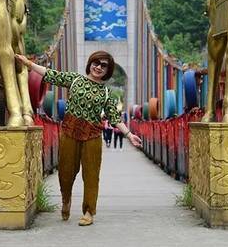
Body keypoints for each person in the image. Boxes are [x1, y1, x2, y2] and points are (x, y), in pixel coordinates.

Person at [15, 50, 142, 226]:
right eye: (96, 63)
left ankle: (89, 212)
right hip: (70, 132)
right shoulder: (75, 79)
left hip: (92, 135)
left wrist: (129, 135)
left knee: (91, 175)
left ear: (108, 71)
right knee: (66, 173)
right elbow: (51, 75)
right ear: (90, 63)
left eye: (104, 66)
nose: (98, 67)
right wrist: (29, 64)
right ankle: (66, 200)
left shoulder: (106, 93)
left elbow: (115, 118)